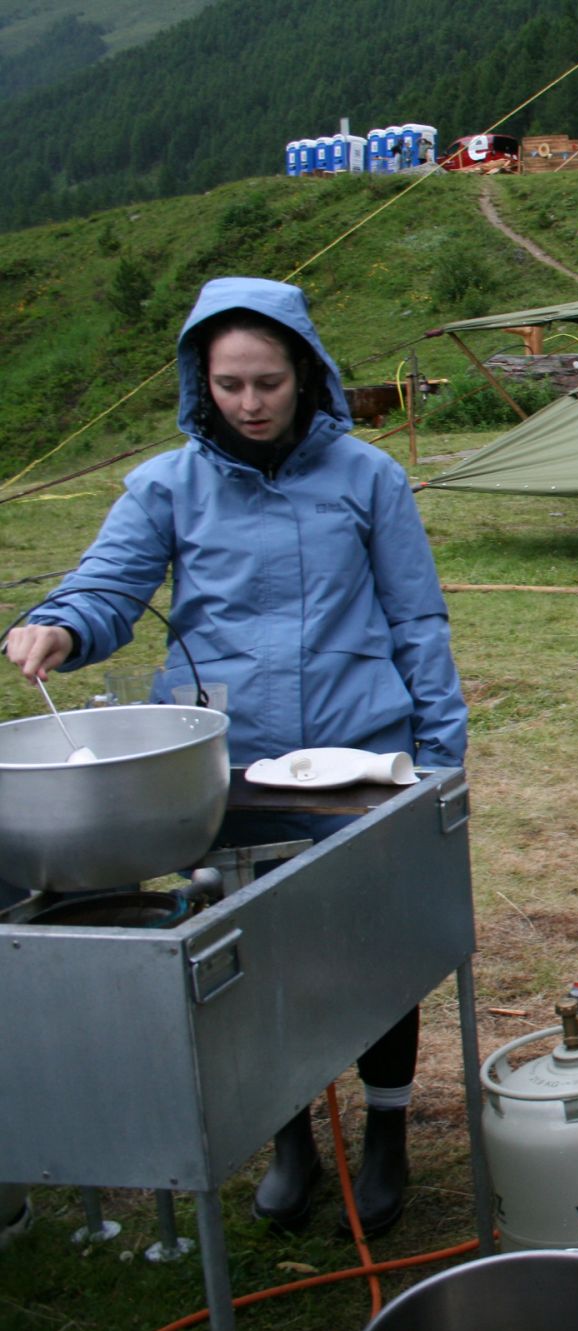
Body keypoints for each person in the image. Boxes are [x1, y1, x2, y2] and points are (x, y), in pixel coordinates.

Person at [4, 276, 468, 1237]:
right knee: (246, 957)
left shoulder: (368, 478)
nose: (251, 403)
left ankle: (386, 1132)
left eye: (268, 382)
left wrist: (438, 755)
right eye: (230, 385)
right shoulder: (167, 486)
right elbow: (109, 587)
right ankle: (287, 1131)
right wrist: (60, 624)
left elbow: (417, 620)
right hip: (227, 769)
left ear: (306, 373)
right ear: (200, 383)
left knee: (376, 948)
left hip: (359, 758)